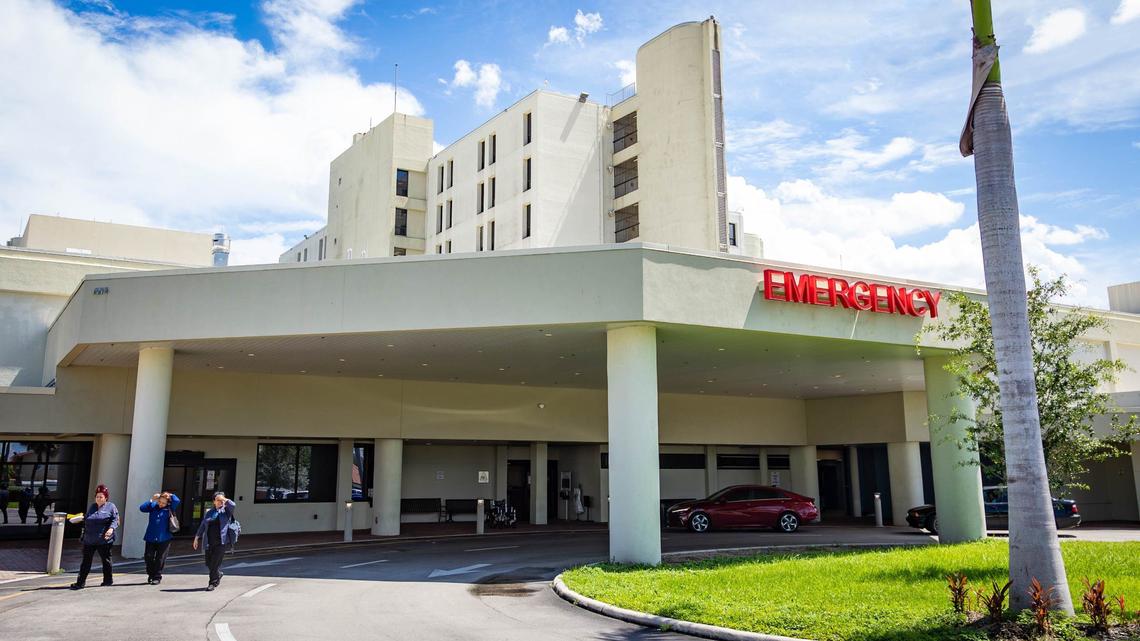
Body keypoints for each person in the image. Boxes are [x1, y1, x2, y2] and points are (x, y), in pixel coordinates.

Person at [70, 484, 118, 590]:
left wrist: (111, 529)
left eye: (101, 496)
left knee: (106, 561)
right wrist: (81, 518)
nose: (99, 499)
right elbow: (88, 518)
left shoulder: (111, 506)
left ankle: (108, 580)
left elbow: (115, 520)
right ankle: (80, 583)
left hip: (104, 540)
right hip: (89, 539)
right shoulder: (92, 507)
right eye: (97, 496)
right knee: (86, 562)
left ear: (106, 497)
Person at [193, 492, 235, 591]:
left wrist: (224, 499)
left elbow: (233, 505)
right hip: (209, 541)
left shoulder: (226, 511)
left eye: (221, 500)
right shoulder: (209, 512)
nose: (220, 501)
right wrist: (196, 537)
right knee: (208, 563)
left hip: (221, 542)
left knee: (214, 563)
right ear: (214, 502)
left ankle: (212, 583)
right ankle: (218, 574)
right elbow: (203, 525)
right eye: (218, 500)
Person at [139, 490, 180, 585]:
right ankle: (151, 574)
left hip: (164, 538)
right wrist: (152, 499)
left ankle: (157, 577)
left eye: (163, 503)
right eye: (160, 502)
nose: (161, 504)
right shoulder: (153, 506)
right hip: (150, 536)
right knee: (148, 557)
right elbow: (142, 508)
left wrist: (169, 495)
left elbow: (176, 500)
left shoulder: (170, 508)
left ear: (167, 503)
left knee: (160, 559)